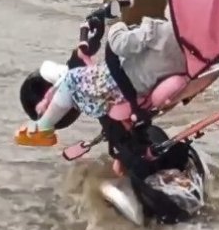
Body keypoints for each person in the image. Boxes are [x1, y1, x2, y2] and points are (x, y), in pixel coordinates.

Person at [15, 17, 185, 147]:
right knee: (74, 78)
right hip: (130, 87)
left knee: (72, 80)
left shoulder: (158, 34)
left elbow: (116, 47)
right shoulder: (181, 51)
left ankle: (44, 126)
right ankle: (44, 124)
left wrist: (114, 25)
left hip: (123, 87)